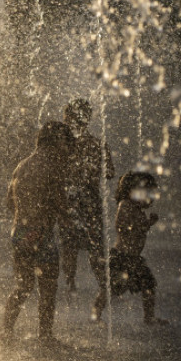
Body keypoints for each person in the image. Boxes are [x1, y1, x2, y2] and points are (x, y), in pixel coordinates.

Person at [0, 121, 76, 349]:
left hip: (21, 232)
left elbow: (8, 202)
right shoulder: (53, 166)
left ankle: (5, 330)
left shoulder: (22, 165)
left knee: (23, 285)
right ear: (54, 142)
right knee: (48, 286)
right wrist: (67, 219)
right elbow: (60, 204)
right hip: (41, 233)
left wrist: (27, 219)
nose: (67, 147)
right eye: (65, 142)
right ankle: (45, 336)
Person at [60, 98, 114, 306]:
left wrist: (84, 172)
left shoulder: (69, 145)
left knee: (75, 243)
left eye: (67, 117)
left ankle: (74, 281)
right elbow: (109, 171)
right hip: (84, 200)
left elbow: (108, 171)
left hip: (77, 201)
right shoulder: (95, 144)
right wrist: (91, 170)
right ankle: (92, 281)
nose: (65, 121)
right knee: (85, 243)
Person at [93, 171, 167, 325]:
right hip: (121, 257)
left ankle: (149, 317)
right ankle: (96, 315)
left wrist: (145, 224)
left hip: (134, 258)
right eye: (146, 192)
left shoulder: (137, 208)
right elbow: (121, 226)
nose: (149, 197)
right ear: (131, 191)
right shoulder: (125, 205)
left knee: (148, 284)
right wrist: (146, 224)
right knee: (109, 288)